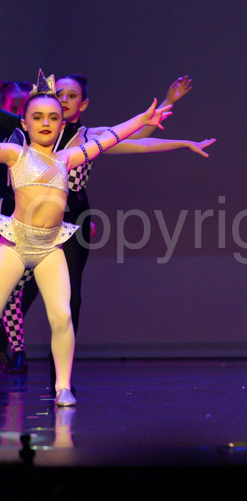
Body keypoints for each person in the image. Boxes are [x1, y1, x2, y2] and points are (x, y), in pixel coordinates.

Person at [0, 74, 207, 377]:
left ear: (82, 104)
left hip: (72, 217)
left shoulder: (86, 138)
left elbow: (137, 139)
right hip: (25, 215)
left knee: (68, 297)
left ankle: (60, 375)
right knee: (17, 291)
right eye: (60, 94)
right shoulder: (28, 135)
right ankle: (12, 350)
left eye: (72, 96)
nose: (64, 100)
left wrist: (177, 129)